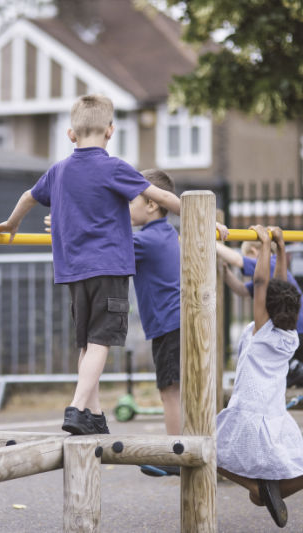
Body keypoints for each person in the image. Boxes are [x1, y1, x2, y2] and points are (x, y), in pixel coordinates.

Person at [0, 94, 227, 436]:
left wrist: (12, 224)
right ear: (110, 131)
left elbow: (28, 197)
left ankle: (93, 412)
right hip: (109, 269)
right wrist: (203, 219)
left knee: (87, 343)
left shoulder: (58, 171)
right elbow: (162, 197)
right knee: (102, 340)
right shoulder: (114, 167)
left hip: (73, 271)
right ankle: (78, 407)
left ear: (71, 134)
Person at [216, 225, 303, 528]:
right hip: (272, 416)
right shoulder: (290, 335)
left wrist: (264, 246)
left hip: (248, 412)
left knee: (207, 451)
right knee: (258, 497)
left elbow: (262, 281)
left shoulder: (262, 332)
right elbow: (280, 284)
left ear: (265, 307)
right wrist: (281, 248)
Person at [216, 239, 303, 440]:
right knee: (293, 382)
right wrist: (225, 273)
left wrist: (212, 240)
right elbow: (243, 291)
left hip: (297, 330)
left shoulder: (268, 262)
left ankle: (291, 378)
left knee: (277, 378)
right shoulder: (270, 273)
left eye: (250, 257)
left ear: (255, 251)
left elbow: (237, 259)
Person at [127, 169, 181, 476]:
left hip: (168, 323)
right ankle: (183, 447)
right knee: (177, 388)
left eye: (130, 199)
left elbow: (106, 247)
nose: (125, 206)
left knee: (170, 390)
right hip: (173, 321)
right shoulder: (165, 233)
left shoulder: (146, 240)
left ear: (151, 204)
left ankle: (176, 454)